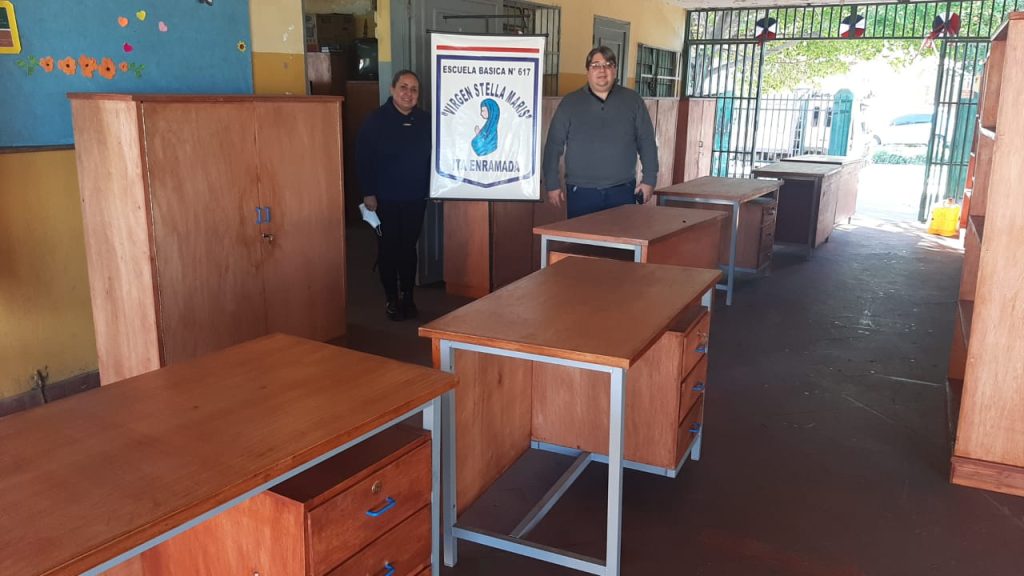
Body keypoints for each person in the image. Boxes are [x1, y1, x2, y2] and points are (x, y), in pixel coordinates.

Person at [542, 46, 659, 219]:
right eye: (596, 65)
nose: (602, 70)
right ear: (588, 71)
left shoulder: (633, 101)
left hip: (623, 190)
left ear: (615, 70)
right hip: (581, 192)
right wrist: (552, 184)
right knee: (581, 237)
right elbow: (553, 145)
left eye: (608, 65)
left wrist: (649, 179)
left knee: (621, 237)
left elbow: (647, 141)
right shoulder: (570, 103)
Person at [357, 70, 431, 321]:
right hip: (383, 199)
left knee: (408, 249)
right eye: (403, 87)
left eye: (414, 89)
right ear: (392, 89)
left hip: (415, 198)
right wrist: (368, 193)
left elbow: (436, 158)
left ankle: (408, 296)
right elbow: (363, 159)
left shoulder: (426, 121)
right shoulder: (375, 120)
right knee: (388, 249)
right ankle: (391, 299)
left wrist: (438, 188)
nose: (408, 93)